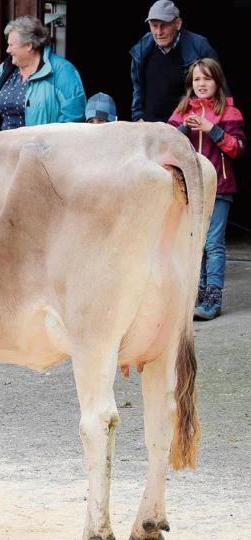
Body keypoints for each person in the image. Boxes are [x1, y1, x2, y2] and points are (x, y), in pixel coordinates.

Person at [168, 58, 245, 320]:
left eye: (207, 78)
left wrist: (212, 130)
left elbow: (237, 149)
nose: (201, 84)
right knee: (193, 243)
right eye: (197, 79)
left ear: (217, 81)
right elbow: (166, 145)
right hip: (189, 186)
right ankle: (195, 295)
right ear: (191, 83)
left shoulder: (230, 112)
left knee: (213, 243)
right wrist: (181, 129)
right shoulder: (181, 111)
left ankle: (213, 297)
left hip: (220, 187)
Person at [0, 16, 86, 132]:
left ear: (29, 45)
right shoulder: (6, 70)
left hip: (41, 148)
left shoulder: (62, 70)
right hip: (4, 146)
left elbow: (73, 116)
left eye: (11, 45)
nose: (7, 50)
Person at [131, 0, 219, 123]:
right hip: (150, 126)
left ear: (178, 23)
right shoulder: (143, 47)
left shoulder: (200, 47)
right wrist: (137, 116)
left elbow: (219, 86)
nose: (159, 32)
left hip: (187, 125)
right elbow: (137, 86)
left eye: (164, 25)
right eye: (154, 26)